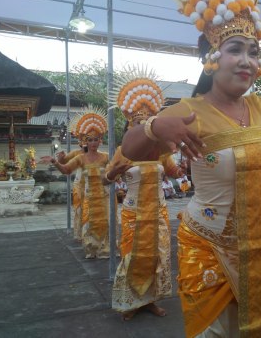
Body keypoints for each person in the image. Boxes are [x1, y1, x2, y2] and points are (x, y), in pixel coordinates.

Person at [119, 0, 261, 336]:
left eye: (254, 52)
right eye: (236, 50)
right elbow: (128, 148)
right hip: (207, 245)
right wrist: (155, 126)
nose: (247, 61)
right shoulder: (189, 110)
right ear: (211, 57)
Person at [104, 69, 186, 321]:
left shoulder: (162, 150)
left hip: (159, 211)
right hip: (132, 212)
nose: (143, 126)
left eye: (148, 122)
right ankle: (131, 301)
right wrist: (114, 171)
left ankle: (150, 300)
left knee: (157, 256)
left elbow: (176, 173)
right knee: (131, 256)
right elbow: (105, 178)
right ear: (131, 124)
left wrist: (188, 161)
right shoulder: (124, 150)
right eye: (138, 123)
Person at [52, 108, 111, 259]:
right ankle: (91, 248)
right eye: (90, 140)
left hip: (104, 196)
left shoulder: (106, 157)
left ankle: (105, 248)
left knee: (106, 222)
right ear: (85, 141)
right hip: (89, 195)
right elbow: (66, 169)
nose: (93, 143)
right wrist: (55, 161)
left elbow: (115, 173)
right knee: (88, 221)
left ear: (100, 140)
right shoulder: (80, 157)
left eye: (96, 139)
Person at [54, 141, 87, 240]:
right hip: (79, 184)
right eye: (84, 140)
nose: (86, 144)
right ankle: (79, 233)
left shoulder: (99, 154)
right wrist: (59, 158)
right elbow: (64, 162)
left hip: (93, 184)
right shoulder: (76, 153)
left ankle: (89, 233)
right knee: (79, 209)